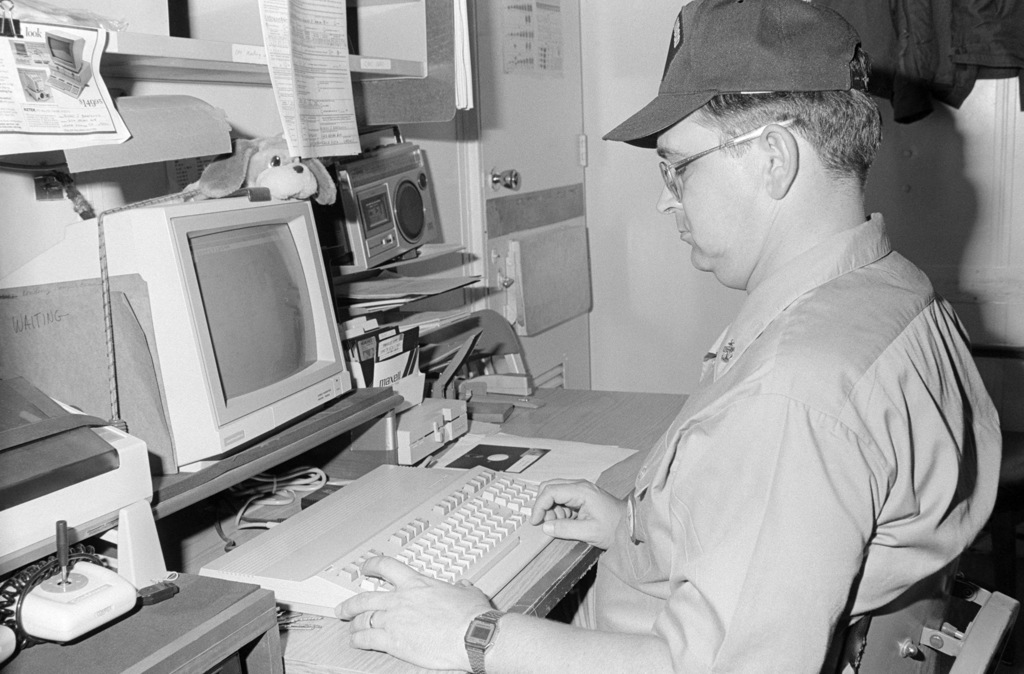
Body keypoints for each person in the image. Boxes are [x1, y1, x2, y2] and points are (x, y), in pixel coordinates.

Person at [337, 0, 1002, 671]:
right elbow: (784, 523)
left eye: (677, 166)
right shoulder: (893, 290)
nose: (665, 199)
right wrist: (639, 531)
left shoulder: (792, 393)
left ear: (772, 158)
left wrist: (474, 636)